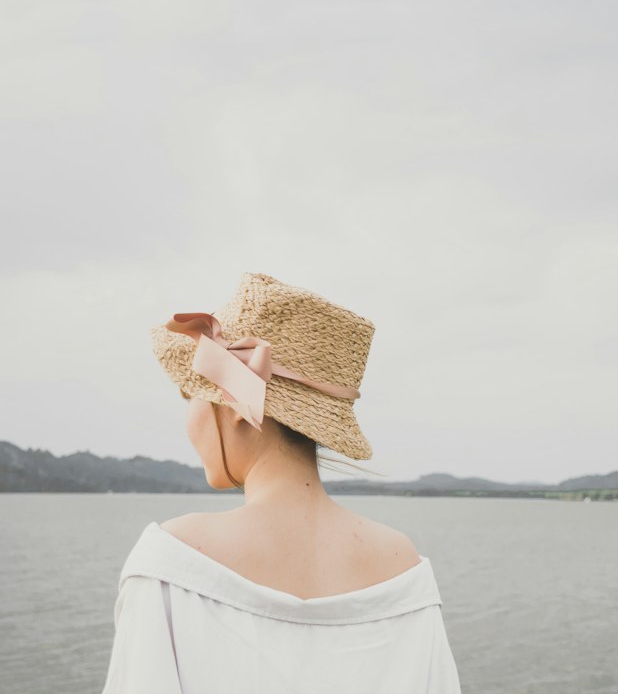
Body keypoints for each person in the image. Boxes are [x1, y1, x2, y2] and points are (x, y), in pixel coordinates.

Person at [101, 271, 463, 694]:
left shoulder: (171, 563)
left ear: (236, 405)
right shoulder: (403, 568)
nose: (190, 415)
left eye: (191, 394)